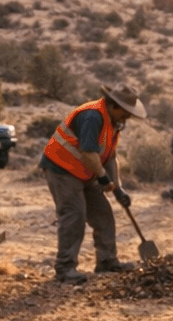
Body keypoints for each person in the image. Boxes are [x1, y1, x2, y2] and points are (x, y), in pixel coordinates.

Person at [39, 83, 146, 284]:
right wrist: (103, 178)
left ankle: (107, 261)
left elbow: (110, 156)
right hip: (62, 170)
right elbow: (89, 153)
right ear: (114, 106)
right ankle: (65, 269)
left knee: (103, 214)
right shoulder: (92, 116)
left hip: (86, 172)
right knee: (74, 216)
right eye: (125, 113)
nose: (128, 118)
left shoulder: (113, 122)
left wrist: (118, 188)